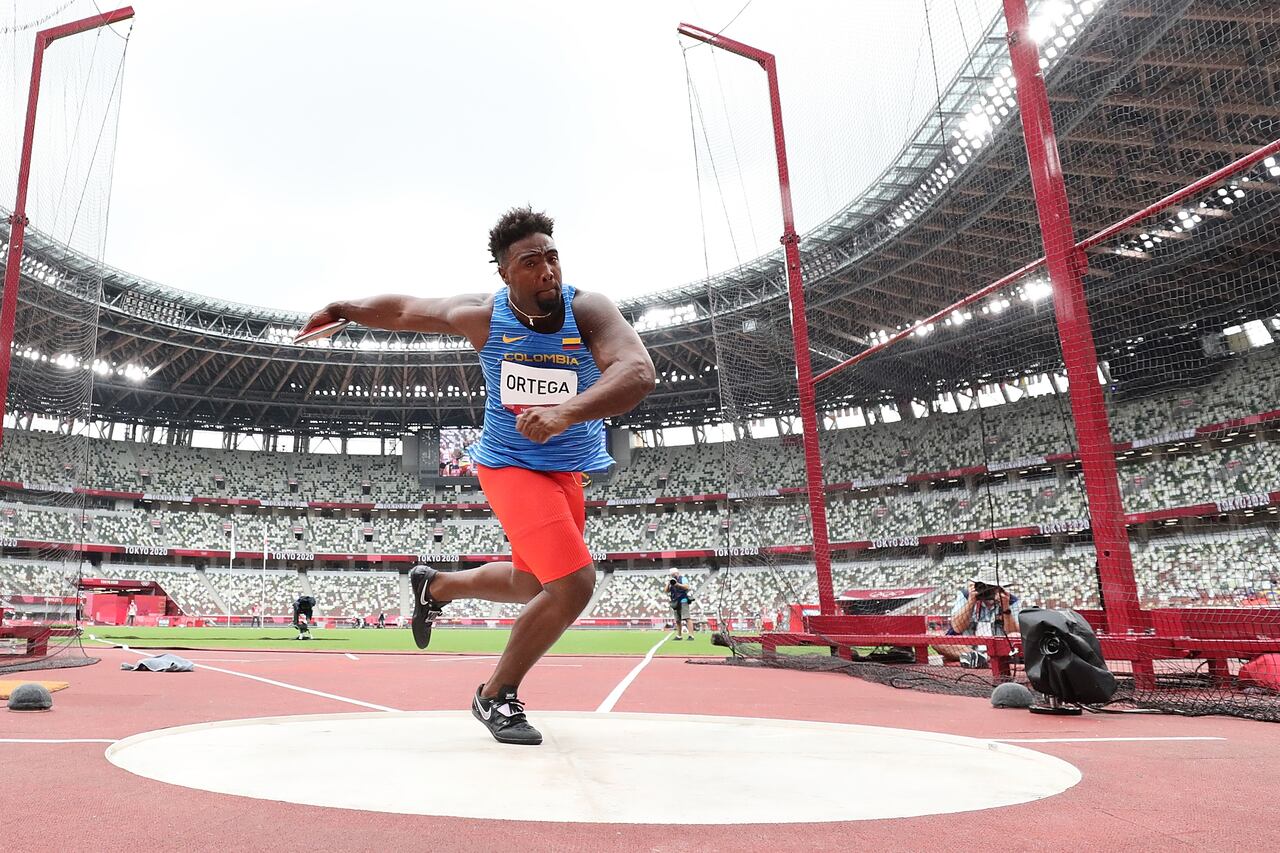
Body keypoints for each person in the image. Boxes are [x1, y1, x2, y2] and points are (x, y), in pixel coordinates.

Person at [306, 206, 655, 745]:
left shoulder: (587, 310)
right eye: (531, 261)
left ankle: (437, 586)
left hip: (568, 467)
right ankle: (495, 694)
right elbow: (403, 310)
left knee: (532, 584)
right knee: (574, 584)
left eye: (552, 257)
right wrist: (341, 308)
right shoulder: (483, 316)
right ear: (504, 273)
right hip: (510, 464)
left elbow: (637, 370)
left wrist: (566, 413)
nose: (547, 271)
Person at [935, 566, 1022, 666]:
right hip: (967, 646)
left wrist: (1005, 607)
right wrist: (971, 602)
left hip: (998, 648)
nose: (987, 592)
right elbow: (957, 628)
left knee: (1016, 636)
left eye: (992, 588)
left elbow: (1013, 633)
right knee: (936, 640)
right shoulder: (966, 596)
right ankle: (977, 657)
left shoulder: (1010, 600)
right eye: (985, 587)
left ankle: (978, 658)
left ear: (1000, 588)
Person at [666, 569, 694, 640]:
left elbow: (687, 587)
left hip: (683, 599)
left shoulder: (683, 579)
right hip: (675, 601)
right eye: (672, 574)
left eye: (675, 574)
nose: (674, 575)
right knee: (677, 620)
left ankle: (691, 635)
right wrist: (669, 583)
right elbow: (666, 590)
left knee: (687, 618)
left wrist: (677, 584)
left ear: (678, 573)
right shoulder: (671, 581)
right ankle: (679, 635)